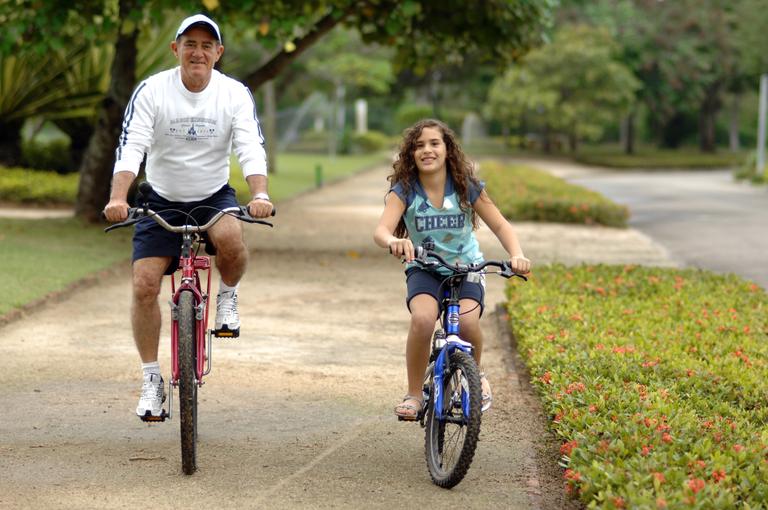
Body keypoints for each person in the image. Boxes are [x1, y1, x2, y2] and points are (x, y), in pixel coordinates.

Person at [103, 14, 274, 420]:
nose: (198, 52)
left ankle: (228, 299)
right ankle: (150, 379)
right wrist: (118, 198)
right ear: (175, 49)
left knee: (232, 240)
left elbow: (250, 145)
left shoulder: (233, 93)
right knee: (144, 284)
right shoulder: (152, 91)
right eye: (190, 44)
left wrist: (260, 193)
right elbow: (132, 146)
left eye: (206, 45)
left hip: (213, 197)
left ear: (219, 53)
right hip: (160, 198)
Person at [373, 119, 532, 420]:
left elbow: (499, 223)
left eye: (434, 143)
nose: (427, 150)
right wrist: (393, 240)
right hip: (425, 269)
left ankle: (475, 374)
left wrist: (517, 254)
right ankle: (414, 393)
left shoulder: (465, 187)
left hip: (467, 268)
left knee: (469, 326)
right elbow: (381, 230)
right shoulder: (405, 189)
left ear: (448, 150)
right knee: (422, 320)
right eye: (419, 146)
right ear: (411, 154)